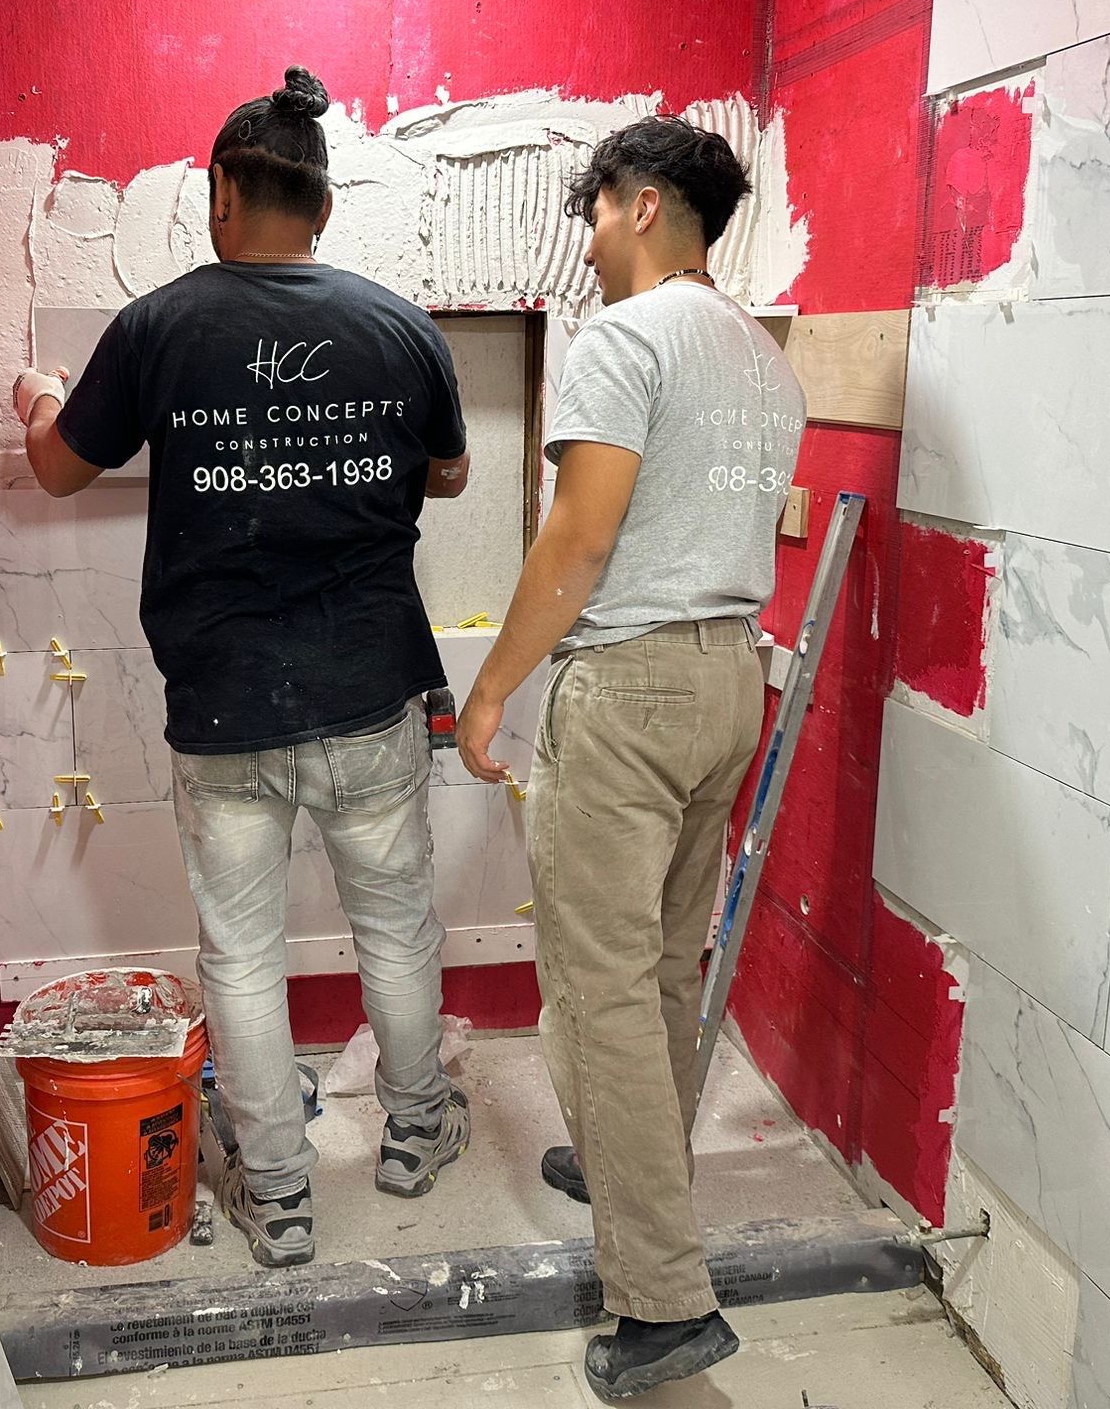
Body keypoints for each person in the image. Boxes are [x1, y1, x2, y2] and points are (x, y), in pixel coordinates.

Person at [13, 67, 473, 1268]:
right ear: (322, 206)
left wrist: (36, 397)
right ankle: (415, 1133)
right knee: (395, 933)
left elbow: (57, 468)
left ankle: (276, 1193)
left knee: (242, 956)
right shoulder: (399, 328)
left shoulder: (158, 327)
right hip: (368, 696)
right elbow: (450, 473)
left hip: (223, 708)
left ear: (221, 190)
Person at [456, 117, 805, 1401]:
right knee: (657, 966)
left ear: (643, 204)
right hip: (727, 679)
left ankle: (662, 1304)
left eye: (595, 214)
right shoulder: (759, 359)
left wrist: (491, 687)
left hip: (633, 685)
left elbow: (580, 540)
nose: (590, 243)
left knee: (593, 986)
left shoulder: (625, 338)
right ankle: (627, 1169)